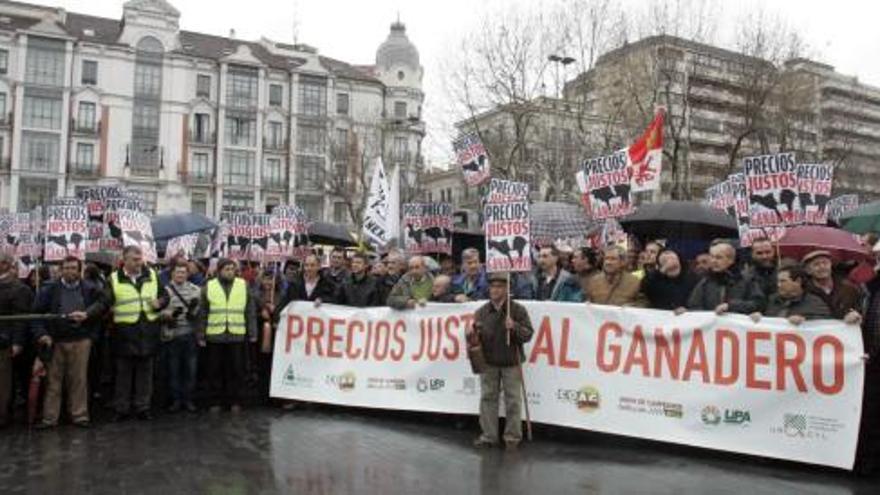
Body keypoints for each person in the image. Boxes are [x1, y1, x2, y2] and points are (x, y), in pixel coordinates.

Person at [30, 256, 103, 429]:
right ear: (61, 269)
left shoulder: (90, 289)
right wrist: (42, 335)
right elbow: (35, 316)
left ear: (80, 270)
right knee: (53, 381)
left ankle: (79, 416)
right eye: (67, 268)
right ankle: (50, 418)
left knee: (78, 380)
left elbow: (100, 310)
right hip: (56, 340)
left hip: (81, 340)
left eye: (73, 268)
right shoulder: (49, 289)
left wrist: (91, 337)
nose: (70, 271)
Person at [101, 246, 167, 421]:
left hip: (147, 333)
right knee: (123, 375)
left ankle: (143, 407)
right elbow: (104, 302)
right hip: (124, 335)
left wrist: (160, 302)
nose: (139, 262)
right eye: (135, 259)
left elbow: (165, 296)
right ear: (125, 260)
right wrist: (89, 313)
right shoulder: (114, 279)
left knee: (145, 375)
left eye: (140, 258)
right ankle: (121, 408)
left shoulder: (152, 275)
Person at [468, 272, 534, 450]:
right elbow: (473, 338)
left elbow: (528, 334)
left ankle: (512, 437)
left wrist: (515, 327)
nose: (495, 290)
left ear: (507, 289)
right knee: (488, 398)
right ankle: (489, 436)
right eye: (492, 287)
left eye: (499, 287)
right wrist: (472, 333)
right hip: (488, 361)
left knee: (513, 400)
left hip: (511, 360)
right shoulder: (481, 311)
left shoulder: (517, 309)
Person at [200, 258, 257, 413]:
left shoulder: (243, 285)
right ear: (219, 271)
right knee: (214, 371)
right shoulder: (209, 286)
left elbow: (250, 310)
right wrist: (201, 335)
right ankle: (215, 401)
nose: (230, 271)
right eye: (227, 269)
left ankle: (236, 401)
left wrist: (252, 333)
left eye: (232, 269)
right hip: (215, 336)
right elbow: (203, 312)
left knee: (237, 370)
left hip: (236, 335)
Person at [160, 262, 201, 413]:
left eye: (183, 272)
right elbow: (156, 310)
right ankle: (176, 400)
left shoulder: (195, 290)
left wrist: (193, 312)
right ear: (172, 274)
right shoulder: (165, 291)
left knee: (190, 371)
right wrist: (167, 315)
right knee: (173, 371)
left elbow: (200, 313)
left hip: (189, 335)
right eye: (178, 272)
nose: (180, 275)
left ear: (187, 274)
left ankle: (188, 400)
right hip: (172, 336)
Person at [685, 241, 764, 315]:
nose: (714, 261)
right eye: (712, 257)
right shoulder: (705, 283)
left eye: (718, 258)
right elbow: (693, 307)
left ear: (731, 260)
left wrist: (731, 306)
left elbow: (758, 304)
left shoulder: (747, 280)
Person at [0, 253, 33, 427]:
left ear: (4, 264)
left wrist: (17, 342)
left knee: (4, 383)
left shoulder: (18, 289)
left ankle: (3, 415)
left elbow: (20, 317)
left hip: (4, 342)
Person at [749, 265, 832, 326]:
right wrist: (757, 317)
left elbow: (826, 324)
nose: (778, 285)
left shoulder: (815, 303)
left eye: (783, 281)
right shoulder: (771, 300)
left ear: (798, 281)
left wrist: (805, 321)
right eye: (778, 281)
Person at [803, 250, 864, 324]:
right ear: (808, 270)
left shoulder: (849, 289)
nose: (822, 267)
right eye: (816, 264)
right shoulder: (804, 291)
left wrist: (856, 316)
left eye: (825, 263)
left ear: (831, 265)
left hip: (844, 333)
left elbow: (860, 312)